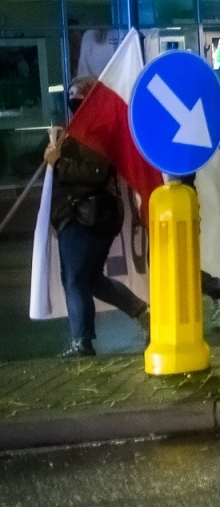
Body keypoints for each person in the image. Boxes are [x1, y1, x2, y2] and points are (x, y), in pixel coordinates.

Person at [43, 76, 148, 356]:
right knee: (91, 280)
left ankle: (82, 341)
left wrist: (59, 161)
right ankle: (142, 313)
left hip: (85, 217)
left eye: (78, 93)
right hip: (91, 216)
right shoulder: (84, 130)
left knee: (75, 280)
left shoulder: (94, 130)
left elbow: (95, 173)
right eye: (71, 92)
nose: (72, 97)